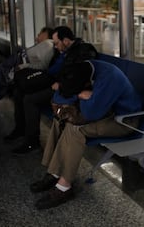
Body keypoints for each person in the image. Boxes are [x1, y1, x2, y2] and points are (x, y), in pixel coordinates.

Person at [30, 60, 142, 210]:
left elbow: (90, 113)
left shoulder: (109, 78)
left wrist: (80, 96)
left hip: (124, 120)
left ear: (85, 83)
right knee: (60, 120)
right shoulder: (79, 69)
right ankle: (54, 173)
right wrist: (81, 94)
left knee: (76, 129)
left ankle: (64, 188)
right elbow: (59, 97)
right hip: (106, 112)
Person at [6, 26, 98, 155]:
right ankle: (21, 129)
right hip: (55, 82)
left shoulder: (81, 52)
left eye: (56, 43)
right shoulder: (64, 51)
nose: (54, 46)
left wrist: (60, 84)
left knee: (30, 100)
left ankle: (32, 142)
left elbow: (78, 79)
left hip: (66, 89)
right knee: (19, 91)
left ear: (65, 41)